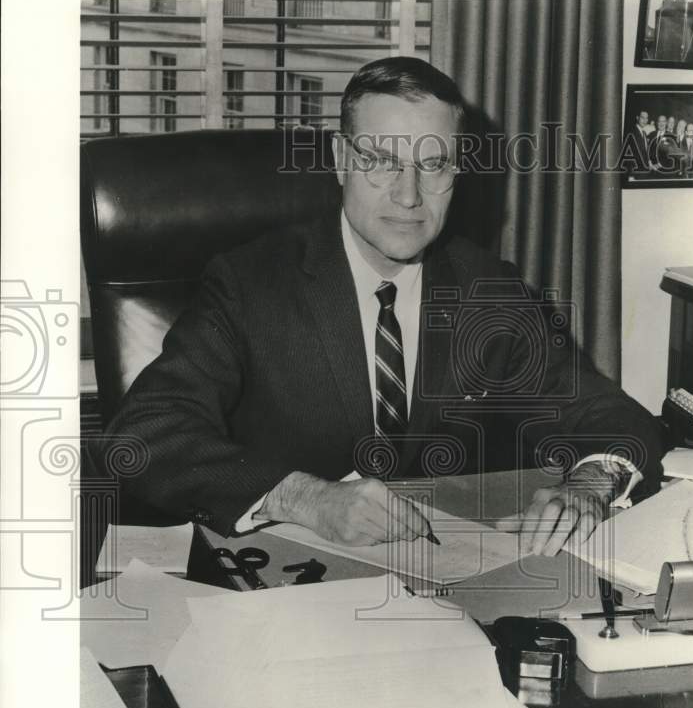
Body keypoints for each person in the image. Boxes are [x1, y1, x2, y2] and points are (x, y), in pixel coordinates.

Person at [105, 57, 663, 558]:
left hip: (448, 579)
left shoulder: (489, 290)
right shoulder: (250, 284)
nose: (409, 195)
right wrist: (304, 497)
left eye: (434, 165)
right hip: (286, 578)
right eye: (381, 161)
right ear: (341, 159)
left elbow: (609, 417)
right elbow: (146, 434)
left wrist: (591, 484)